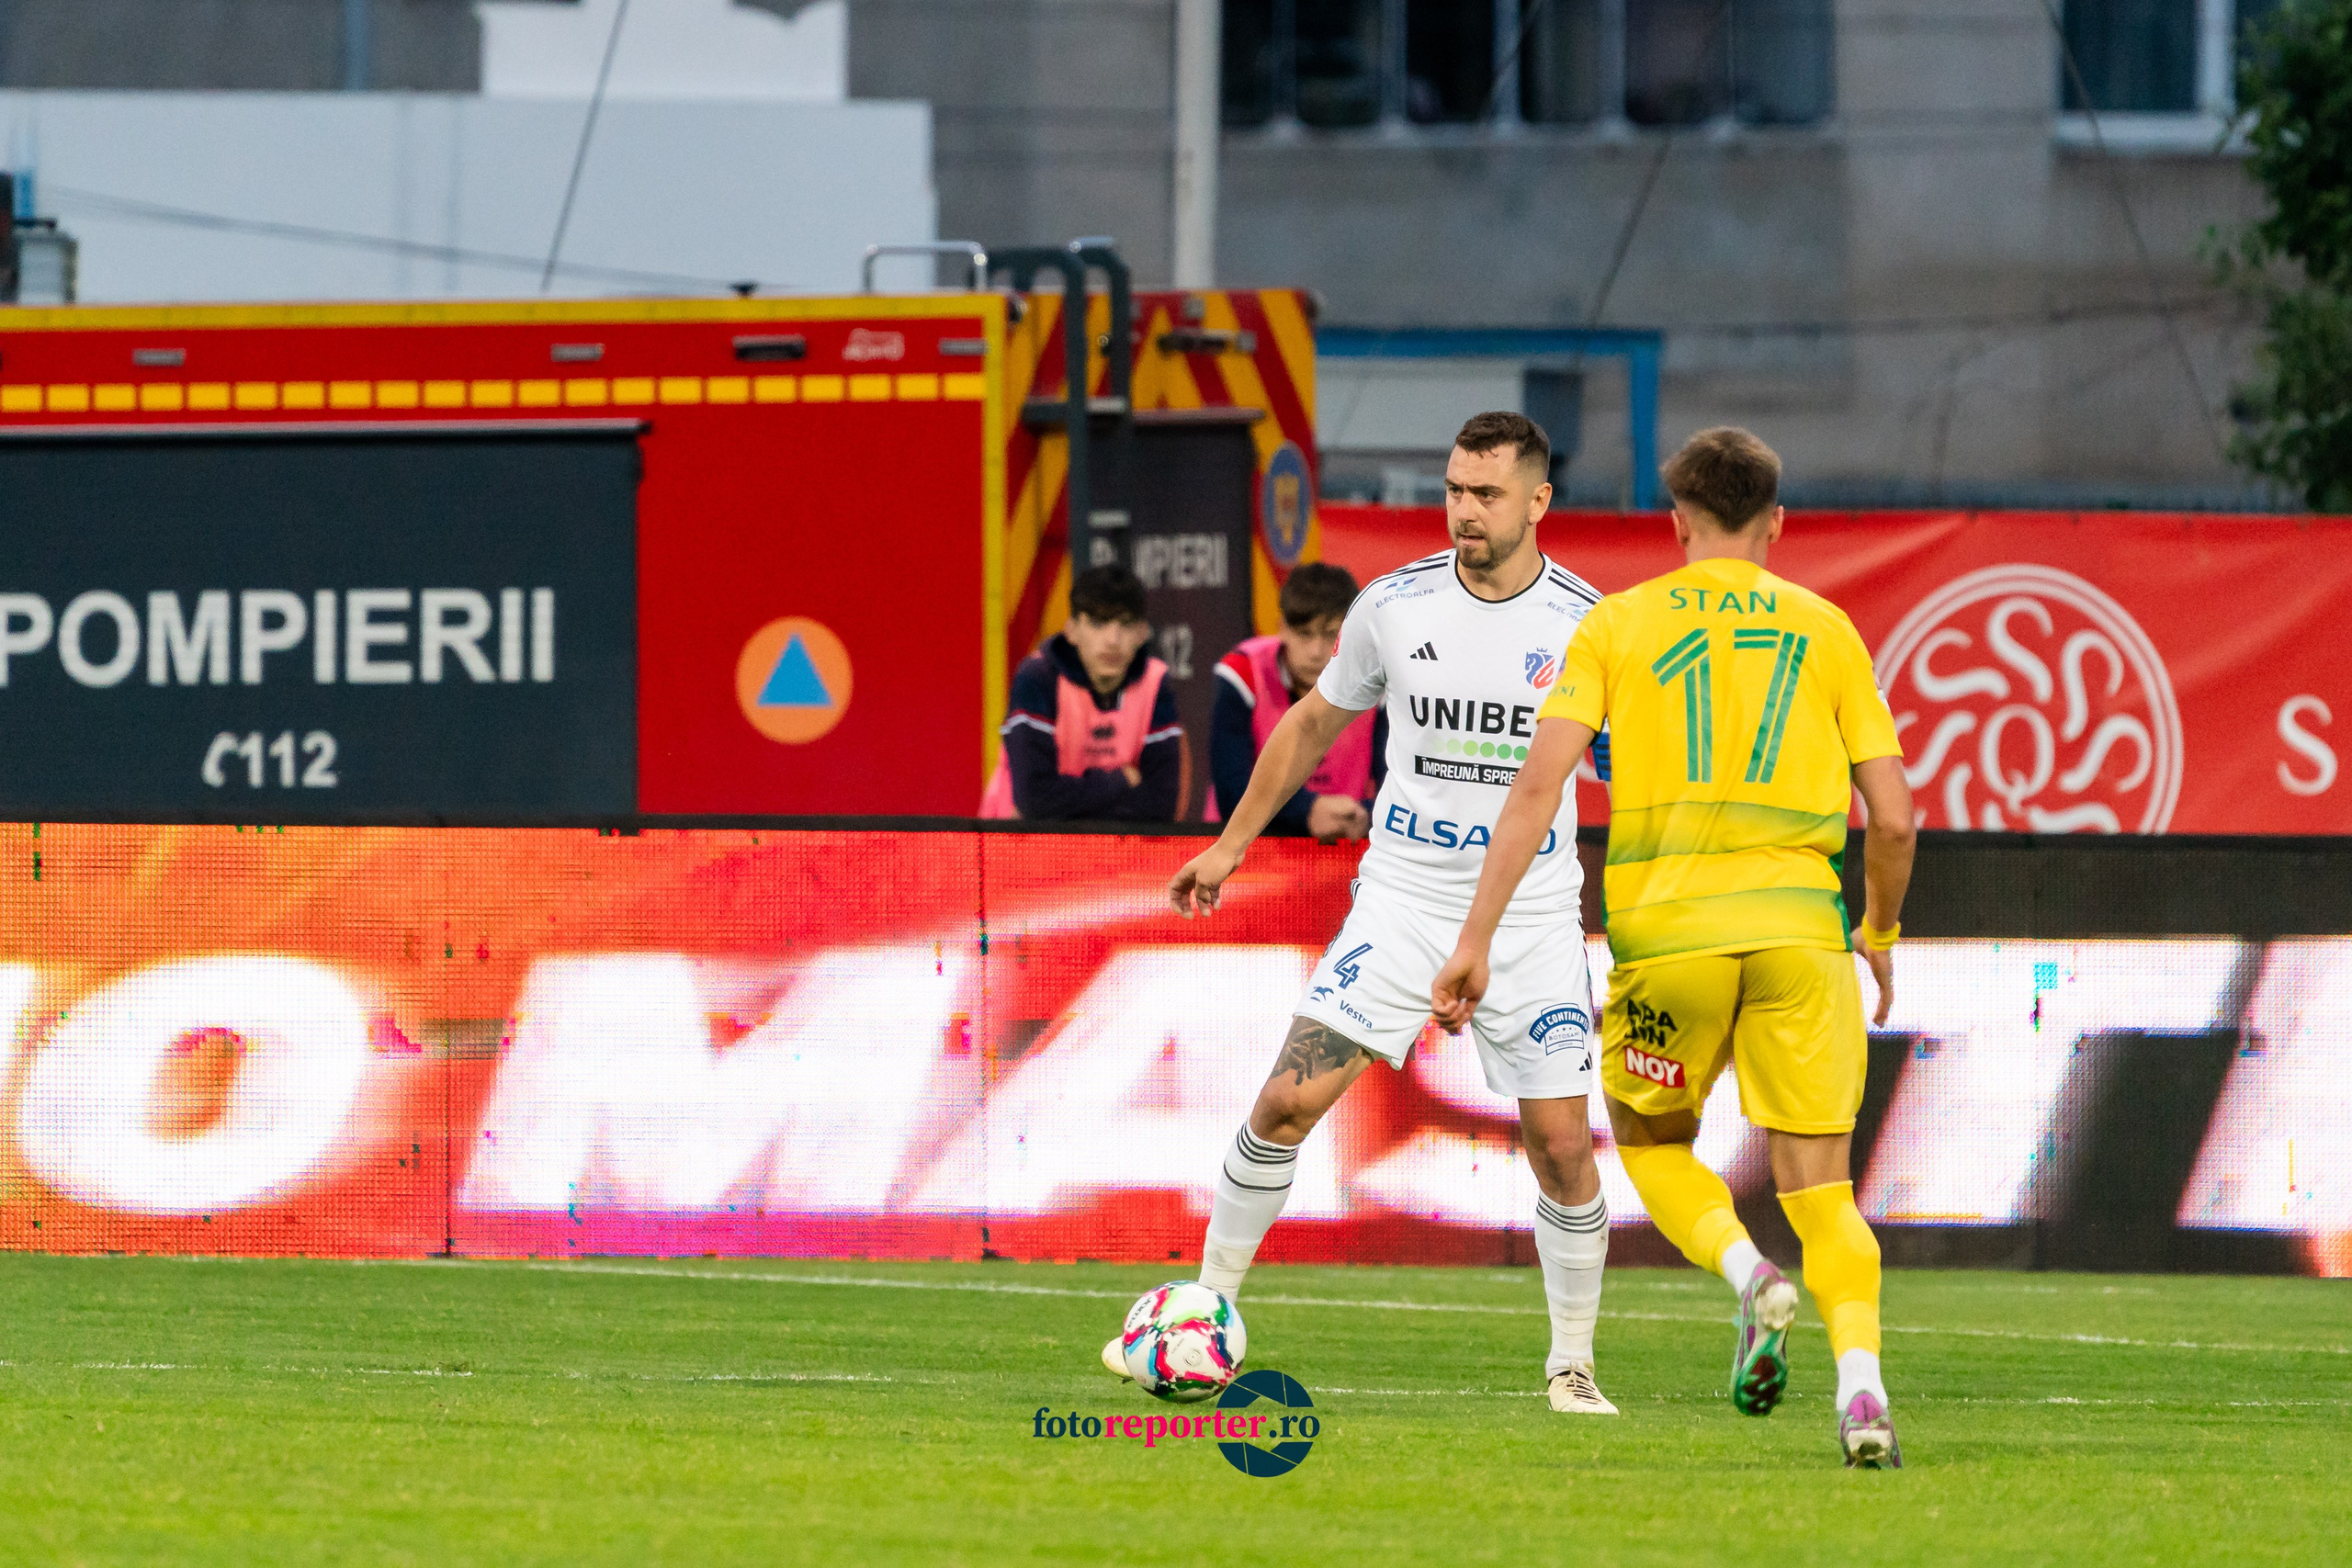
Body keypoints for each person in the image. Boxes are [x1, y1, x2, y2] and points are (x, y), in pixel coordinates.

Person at [1110, 412, 1621, 1415]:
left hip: (1528, 920)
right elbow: (1311, 722)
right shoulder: (1395, 605)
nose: (1464, 510)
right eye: (1454, 489)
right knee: (1284, 1105)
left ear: (1538, 501)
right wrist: (1231, 842)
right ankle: (1204, 1313)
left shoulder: (1588, 626)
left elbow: (1629, 774)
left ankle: (1571, 1363)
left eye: (1486, 494)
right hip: (1403, 903)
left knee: (1561, 1148)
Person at [1431, 426, 1917, 1469]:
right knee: (1821, 1190)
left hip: (1671, 943)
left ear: (1678, 522)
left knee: (1652, 1146)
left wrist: (1475, 938)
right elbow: (1893, 818)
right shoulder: (1828, 628)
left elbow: (1536, 787)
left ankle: (1748, 1278)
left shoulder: (1616, 626)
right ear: (1775, 522)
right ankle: (1864, 1391)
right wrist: (1875, 931)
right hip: (1802, 941)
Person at [980, 564, 1183, 821]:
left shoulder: (1156, 683)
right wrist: (1119, 780)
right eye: (1098, 623)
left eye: (1126, 624)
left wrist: (1067, 799)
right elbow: (1035, 801)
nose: (1113, 639)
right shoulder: (1036, 678)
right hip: (1017, 848)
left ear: (1142, 633)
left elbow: (1161, 807)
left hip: (1116, 854)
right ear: (1072, 630)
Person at [1205, 562, 1385, 841]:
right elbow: (1231, 792)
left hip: (1346, 849)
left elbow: (1400, 788)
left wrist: (1364, 814)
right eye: (1304, 634)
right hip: (1246, 850)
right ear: (1282, 628)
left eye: (1331, 635)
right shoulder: (1242, 674)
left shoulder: (1378, 681)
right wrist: (1307, 810)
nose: (1316, 651)